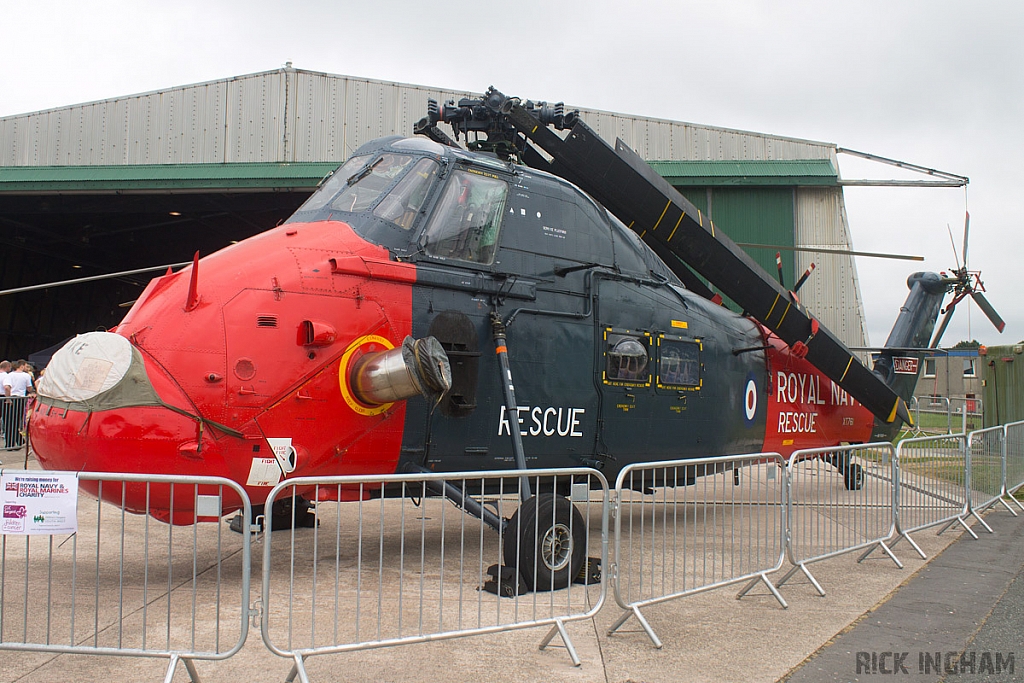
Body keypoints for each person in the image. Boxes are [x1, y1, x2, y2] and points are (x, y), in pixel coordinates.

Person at [3, 360, 33, 448]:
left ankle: (10, 443)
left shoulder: (10, 375)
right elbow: (29, 388)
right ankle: (18, 441)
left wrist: (8, 398)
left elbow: (7, 386)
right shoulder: (26, 375)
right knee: (16, 420)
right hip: (20, 398)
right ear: (22, 366)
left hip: (11, 397)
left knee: (9, 421)